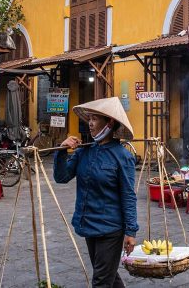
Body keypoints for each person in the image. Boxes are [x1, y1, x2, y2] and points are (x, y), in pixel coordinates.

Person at [53, 97, 139, 288]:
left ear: (109, 123)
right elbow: (62, 177)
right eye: (89, 118)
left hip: (111, 228)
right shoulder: (84, 152)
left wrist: (131, 231)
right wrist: (61, 150)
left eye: (95, 119)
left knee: (101, 280)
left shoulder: (122, 156)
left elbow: (128, 195)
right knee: (107, 274)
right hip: (88, 224)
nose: (90, 123)